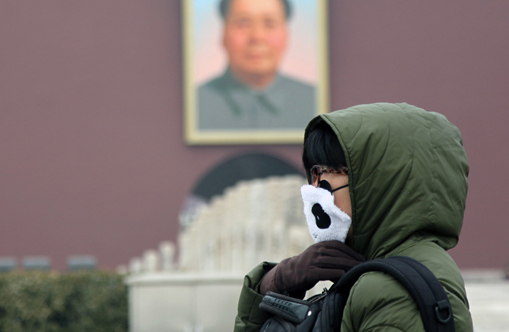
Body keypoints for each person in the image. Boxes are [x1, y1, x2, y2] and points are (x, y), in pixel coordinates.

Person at [234, 103, 473, 331]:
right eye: (314, 173)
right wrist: (276, 281)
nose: (315, 188)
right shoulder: (379, 268)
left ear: (376, 181)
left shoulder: (390, 290)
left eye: (328, 171)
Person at [197, 0, 316, 130]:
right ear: (224, 34)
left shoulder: (315, 102)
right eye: (243, 23)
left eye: (269, 23)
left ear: (286, 35)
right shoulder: (195, 105)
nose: (257, 36)